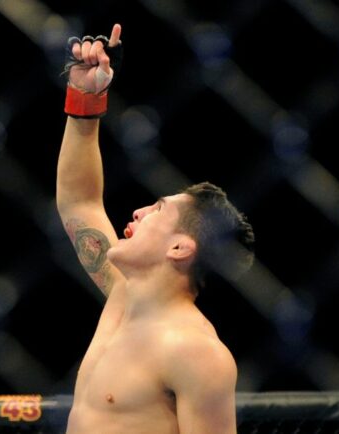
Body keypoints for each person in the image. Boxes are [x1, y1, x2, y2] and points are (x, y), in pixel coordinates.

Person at [56, 23, 255, 434]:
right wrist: (86, 99)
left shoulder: (197, 352)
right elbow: (79, 201)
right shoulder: (124, 297)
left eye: (158, 209)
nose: (140, 211)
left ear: (181, 248)